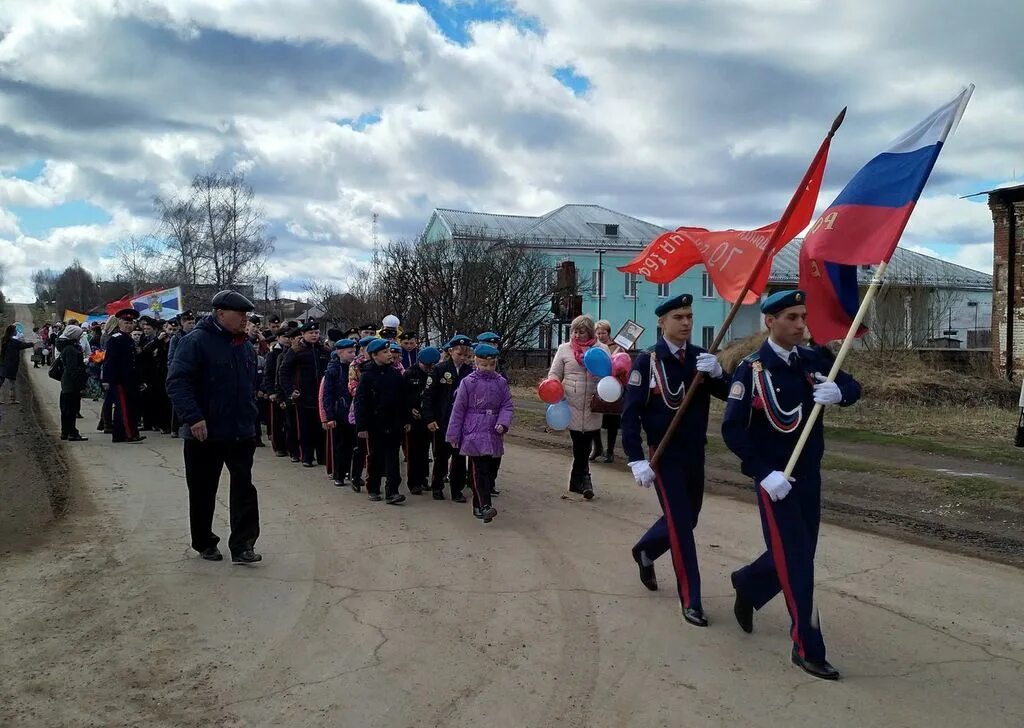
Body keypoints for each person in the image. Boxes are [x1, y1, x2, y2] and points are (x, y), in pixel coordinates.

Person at [722, 289, 861, 680]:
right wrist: (762, 473)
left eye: (803, 316)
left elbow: (853, 387)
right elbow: (733, 431)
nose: (801, 325)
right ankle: (807, 647)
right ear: (770, 321)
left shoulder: (815, 360)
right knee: (798, 563)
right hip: (775, 482)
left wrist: (840, 393)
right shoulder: (750, 370)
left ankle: (748, 584)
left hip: (809, 476)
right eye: (792, 318)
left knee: (798, 553)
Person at [620, 294, 731, 628]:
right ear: (662, 322)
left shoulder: (701, 358)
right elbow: (630, 415)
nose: (686, 323)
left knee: (689, 517)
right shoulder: (647, 361)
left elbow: (728, 395)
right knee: (681, 524)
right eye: (678, 317)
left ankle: (646, 550)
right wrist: (636, 458)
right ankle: (691, 598)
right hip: (663, 455)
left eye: (690, 317)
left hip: (694, 452)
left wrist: (719, 374)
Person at [166, 290, 263, 565]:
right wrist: (193, 417)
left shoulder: (243, 345)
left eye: (246, 315)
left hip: (240, 431)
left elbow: (248, 386)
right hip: (204, 433)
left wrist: (251, 417)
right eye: (240, 314)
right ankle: (204, 541)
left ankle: (243, 545)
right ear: (220, 314)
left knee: (244, 488)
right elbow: (177, 382)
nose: (245, 319)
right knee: (202, 490)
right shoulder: (195, 342)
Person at [445, 343, 513, 523]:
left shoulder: (501, 382)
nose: (488, 368)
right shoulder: (468, 382)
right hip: (474, 429)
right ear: (476, 362)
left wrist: (503, 422)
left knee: (490, 468)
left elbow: (507, 405)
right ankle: (483, 505)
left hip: (493, 430)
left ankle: (482, 503)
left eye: (491, 365)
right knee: (479, 470)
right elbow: (458, 410)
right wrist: (453, 435)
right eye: (484, 364)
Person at [545, 314, 610, 499]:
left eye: (581, 331)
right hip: (570, 403)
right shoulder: (564, 349)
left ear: (589, 332)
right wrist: (553, 387)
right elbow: (555, 373)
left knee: (586, 441)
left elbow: (608, 373)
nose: (576, 335)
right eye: (574, 331)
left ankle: (577, 481)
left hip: (592, 403)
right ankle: (585, 479)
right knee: (579, 443)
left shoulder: (602, 349)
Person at [354, 338, 408, 505]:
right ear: (374, 356)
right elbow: (360, 402)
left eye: (389, 351)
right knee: (375, 457)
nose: (389, 355)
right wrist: (362, 426)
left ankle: (392, 491)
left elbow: (402, 400)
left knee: (393, 459)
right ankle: (373, 487)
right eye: (385, 352)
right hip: (374, 424)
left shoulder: (395, 374)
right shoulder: (367, 375)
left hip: (393, 423)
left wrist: (404, 420)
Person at [422, 334, 475, 502]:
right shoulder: (440, 369)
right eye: (459, 354)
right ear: (451, 351)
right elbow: (428, 396)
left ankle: (456, 489)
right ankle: (437, 486)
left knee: (460, 458)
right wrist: (430, 418)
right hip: (442, 420)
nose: (463, 358)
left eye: (466, 355)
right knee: (440, 456)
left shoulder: (470, 372)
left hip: (462, 423)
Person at [278, 322, 330, 467]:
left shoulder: (324, 350)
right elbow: (283, 372)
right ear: (303, 334)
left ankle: (322, 456)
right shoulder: (296, 351)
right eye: (311, 333)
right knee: (305, 428)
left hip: (320, 395)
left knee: (321, 428)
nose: (314, 335)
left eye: (317, 333)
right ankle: (306, 456)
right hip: (303, 395)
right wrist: (290, 390)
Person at [102, 308, 145, 444]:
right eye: (125, 323)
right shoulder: (116, 339)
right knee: (124, 408)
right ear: (119, 323)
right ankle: (128, 434)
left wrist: (139, 379)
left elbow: (133, 362)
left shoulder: (129, 340)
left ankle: (122, 434)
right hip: (119, 380)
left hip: (130, 380)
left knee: (129, 407)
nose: (128, 326)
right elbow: (109, 361)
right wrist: (107, 380)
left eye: (130, 323)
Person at [402, 346, 440, 495]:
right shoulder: (409, 374)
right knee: (414, 452)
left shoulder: (437, 374)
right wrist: (409, 411)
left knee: (426, 452)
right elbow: (402, 397)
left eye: (432, 366)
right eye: (427, 366)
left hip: (430, 418)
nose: (429, 368)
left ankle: (424, 479)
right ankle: (414, 482)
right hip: (414, 419)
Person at [320, 338, 357, 487]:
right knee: (340, 446)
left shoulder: (356, 367)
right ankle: (339, 474)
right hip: (339, 412)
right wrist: (330, 416)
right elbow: (327, 394)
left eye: (354, 351)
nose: (353, 355)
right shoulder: (333, 369)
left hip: (352, 412)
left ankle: (351, 472)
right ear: (339, 352)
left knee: (353, 445)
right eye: (349, 352)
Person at [591, 320, 624, 463]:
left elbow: (623, 365)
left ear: (608, 333)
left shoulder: (617, 347)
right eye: (598, 333)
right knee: (594, 418)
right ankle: (597, 447)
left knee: (612, 421)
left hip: (613, 387)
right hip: (597, 387)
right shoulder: (594, 347)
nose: (600, 335)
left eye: (603, 332)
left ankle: (610, 451)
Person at [263, 327, 293, 457]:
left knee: (289, 422)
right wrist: (270, 392)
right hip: (276, 391)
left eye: (289, 337)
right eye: (284, 337)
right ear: (278, 338)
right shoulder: (273, 354)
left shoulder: (293, 352)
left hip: (288, 390)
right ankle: (278, 446)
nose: (287, 339)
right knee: (277, 421)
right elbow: (268, 374)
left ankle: (289, 446)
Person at [56, 325, 89, 441]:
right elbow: (73, 369)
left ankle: (65, 432)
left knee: (66, 409)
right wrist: (81, 384)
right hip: (71, 383)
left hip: (67, 382)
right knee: (71, 408)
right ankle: (72, 432)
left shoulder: (65, 347)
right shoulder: (71, 349)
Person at [1, 325, 34, 404]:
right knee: (12, 382)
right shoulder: (14, 342)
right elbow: (24, 345)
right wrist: (32, 344)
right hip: (12, 364)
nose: (16, 331)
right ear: (12, 332)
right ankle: (12, 399)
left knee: (1, 381)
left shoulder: (4, 340)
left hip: (3, 363)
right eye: (15, 330)